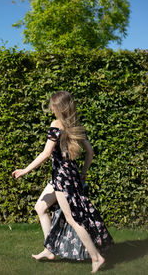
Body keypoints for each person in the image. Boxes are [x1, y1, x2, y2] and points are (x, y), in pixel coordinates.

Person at [12, 91, 114, 273]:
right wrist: (83, 173)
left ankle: (96, 257)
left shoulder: (56, 124)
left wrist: (24, 170)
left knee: (71, 219)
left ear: (58, 107)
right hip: (69, 174)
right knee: (40, 207)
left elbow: (46, 153)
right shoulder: (75, 125)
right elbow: (90, 153)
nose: (52, 108)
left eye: (53, 105)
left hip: (61, 178)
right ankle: (49, 250)